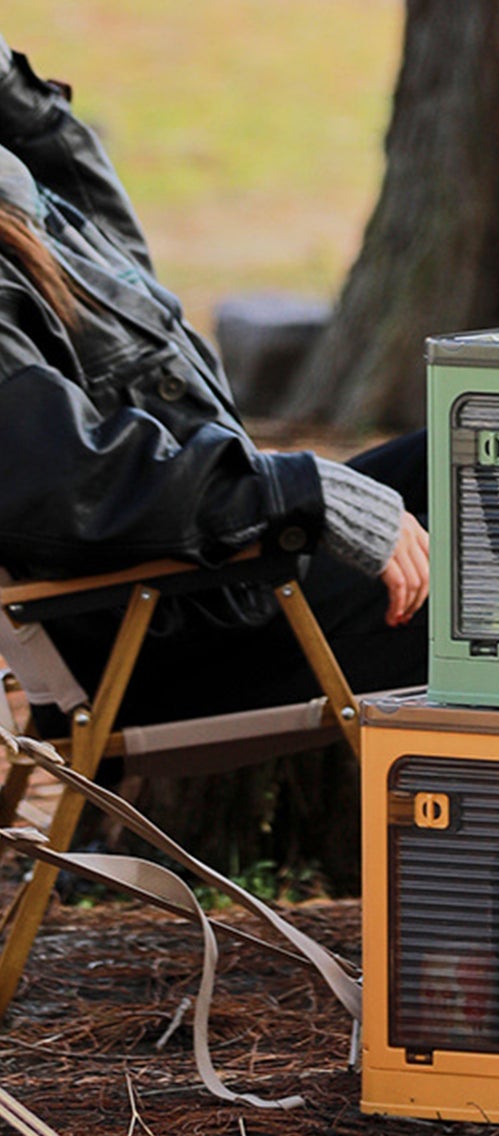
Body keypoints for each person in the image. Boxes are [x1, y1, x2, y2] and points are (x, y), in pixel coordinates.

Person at [0, 36, 430, 731]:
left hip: (215, 575)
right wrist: (299, 489)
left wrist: (13, 87)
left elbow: (119, 261)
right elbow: (69, 484)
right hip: (180, 627)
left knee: (480, 463)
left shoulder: (28, 210)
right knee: (498, 592)